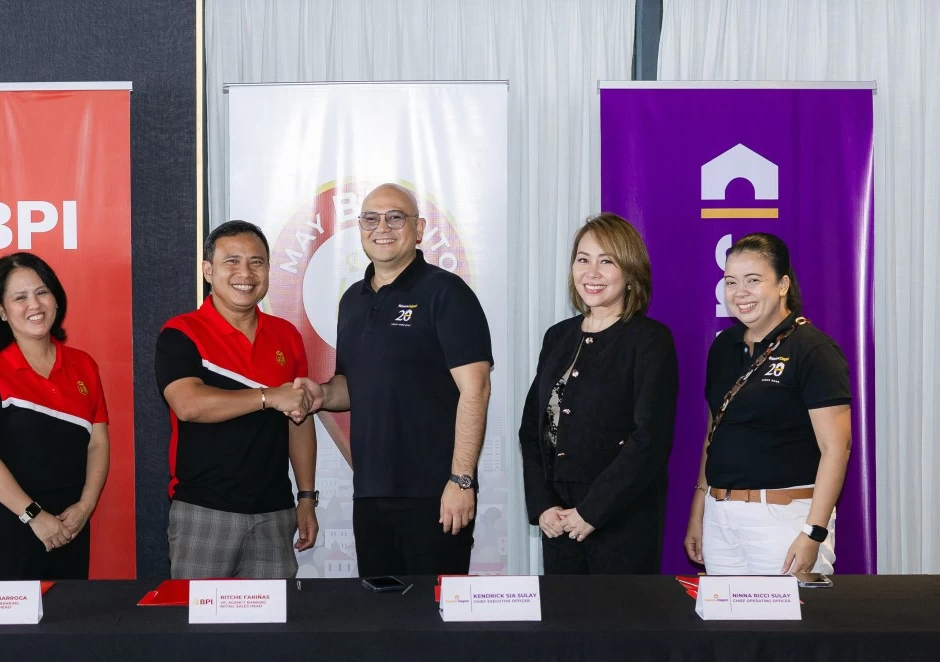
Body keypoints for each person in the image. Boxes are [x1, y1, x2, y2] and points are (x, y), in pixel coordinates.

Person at [296, 183, 492, 576]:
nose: (381, 227)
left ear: (418, 230)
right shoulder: (352, 300)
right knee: (381, 621)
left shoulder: (446, 293)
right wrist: (319, 395)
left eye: (395, 217)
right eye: (371, 218)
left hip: (436, 494)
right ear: (360, 229)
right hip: (370, 493)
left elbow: (477, 389)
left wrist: (461, 480)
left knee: (437, 622)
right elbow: (349, 385)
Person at [155, 220, 319, 579]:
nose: (245, 272)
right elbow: (188, 404)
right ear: (208, 270)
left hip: (276, 513)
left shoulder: (286, 336)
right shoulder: (181, 332)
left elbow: (300, 419)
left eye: (257, 262)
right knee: (198, 628)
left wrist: (306, 497)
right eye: (232, 261)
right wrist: (267, 397)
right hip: (204, 510)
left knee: (272, 631)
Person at [518, 213, 677, 575]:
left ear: (631, 272)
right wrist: (543, 506)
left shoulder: (650, 340)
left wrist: (592, 511)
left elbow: (649, 439)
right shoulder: (557, 337)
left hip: (622, 518)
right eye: (583, 259)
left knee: (618, 627)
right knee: (564, 626)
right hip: (558, 519)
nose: (592, 272)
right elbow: (532, 429)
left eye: (607, 261)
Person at [685, 232, 850, 576]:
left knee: (787, 629)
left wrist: (813, 532)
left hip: (784, 521)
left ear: (783, 284)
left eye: (753, 280)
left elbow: (837, 448)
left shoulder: (813, 350)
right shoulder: (724, 347)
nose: (739, 292)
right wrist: (700, 509)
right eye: (731, 281)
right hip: (721, 518)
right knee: (726, 629)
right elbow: (714, 432)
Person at [0, 253, 110, 580]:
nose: (35, 304)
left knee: (69, 625)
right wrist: (34, 516)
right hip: (8, 529)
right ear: (1, 310)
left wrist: (85, 507)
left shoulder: (84, 365)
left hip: (70, 527)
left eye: (42, 292)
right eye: (19, 297)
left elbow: (98, 444)